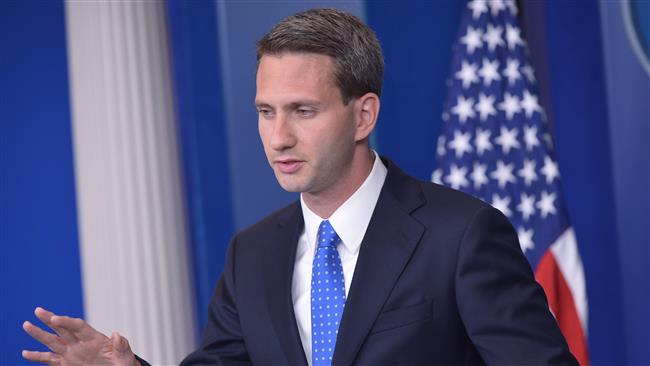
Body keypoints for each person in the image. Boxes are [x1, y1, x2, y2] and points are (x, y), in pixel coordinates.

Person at [23, 8, 578, 366]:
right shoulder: (254, 252)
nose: (278, 137)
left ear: (363, 116)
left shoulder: (460, 234)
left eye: (302, 111)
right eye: (266, 112)